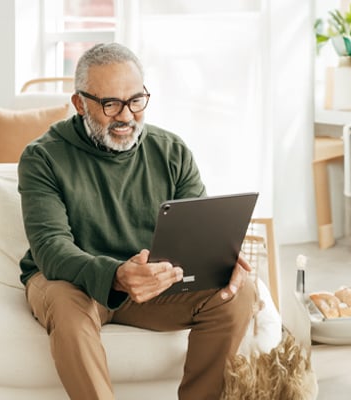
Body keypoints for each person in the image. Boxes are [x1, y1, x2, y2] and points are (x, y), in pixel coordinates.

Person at [18, 42, 256, 400]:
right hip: (74, 282)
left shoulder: (171, 150)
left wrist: (220, 259)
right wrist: (116, 275)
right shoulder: (43, 157)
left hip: (150, 286)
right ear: (80, 103)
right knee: (66, 306)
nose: (126, 116)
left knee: (239, 293)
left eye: (136, 100)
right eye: (110, 104)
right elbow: (51, 250)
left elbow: (197, 230)